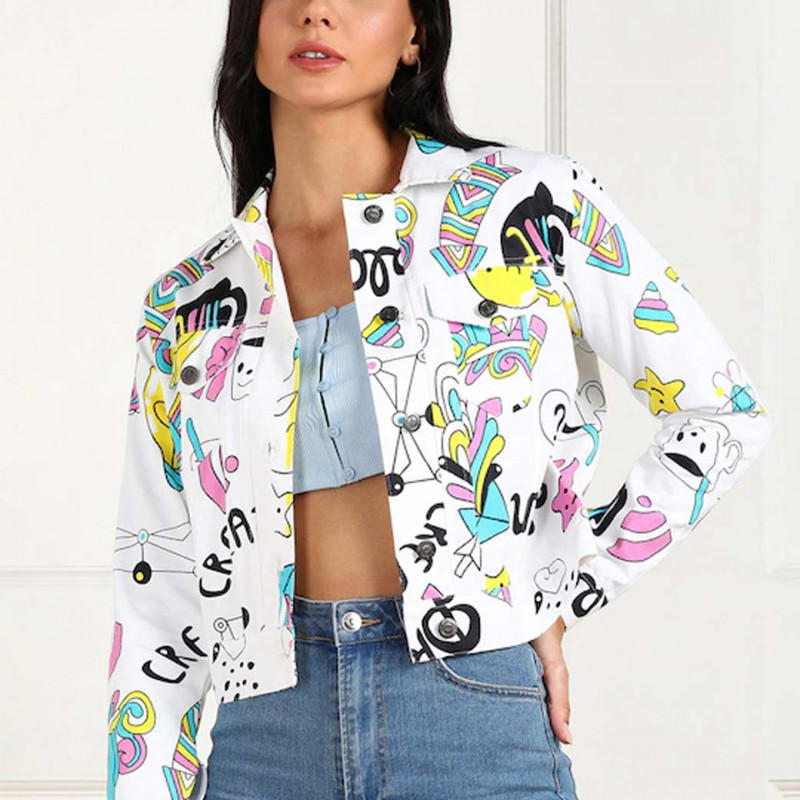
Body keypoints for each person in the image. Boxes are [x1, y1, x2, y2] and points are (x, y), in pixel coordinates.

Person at [106, 2, 773, 799]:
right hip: (264, 738)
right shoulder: (190, 301)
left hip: (467, 710)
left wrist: (562, 591)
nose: (317, 11)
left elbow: (721, 411)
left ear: (416, 34)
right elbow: (158, 588)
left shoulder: (524, 204)